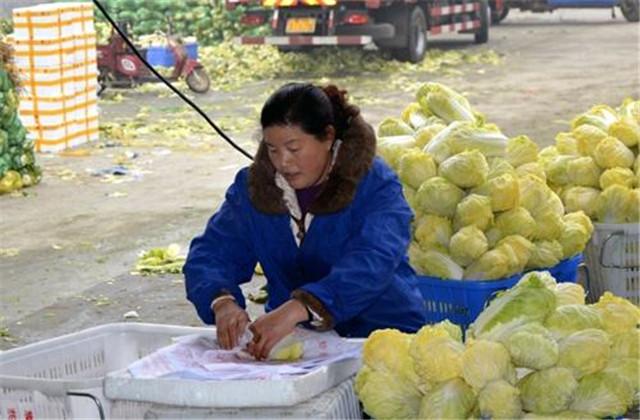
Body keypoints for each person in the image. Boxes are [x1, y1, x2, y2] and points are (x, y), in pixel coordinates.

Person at [183, 82, 426, 360]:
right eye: (272, 149)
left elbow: (374, 260)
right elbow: (212, 252)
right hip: (296, 343)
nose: (283, 162)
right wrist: (221, 300)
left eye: (294, 148)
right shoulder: (254, 189)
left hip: (381, 337)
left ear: (327, 137)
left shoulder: (374, 184)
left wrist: (304, 306)